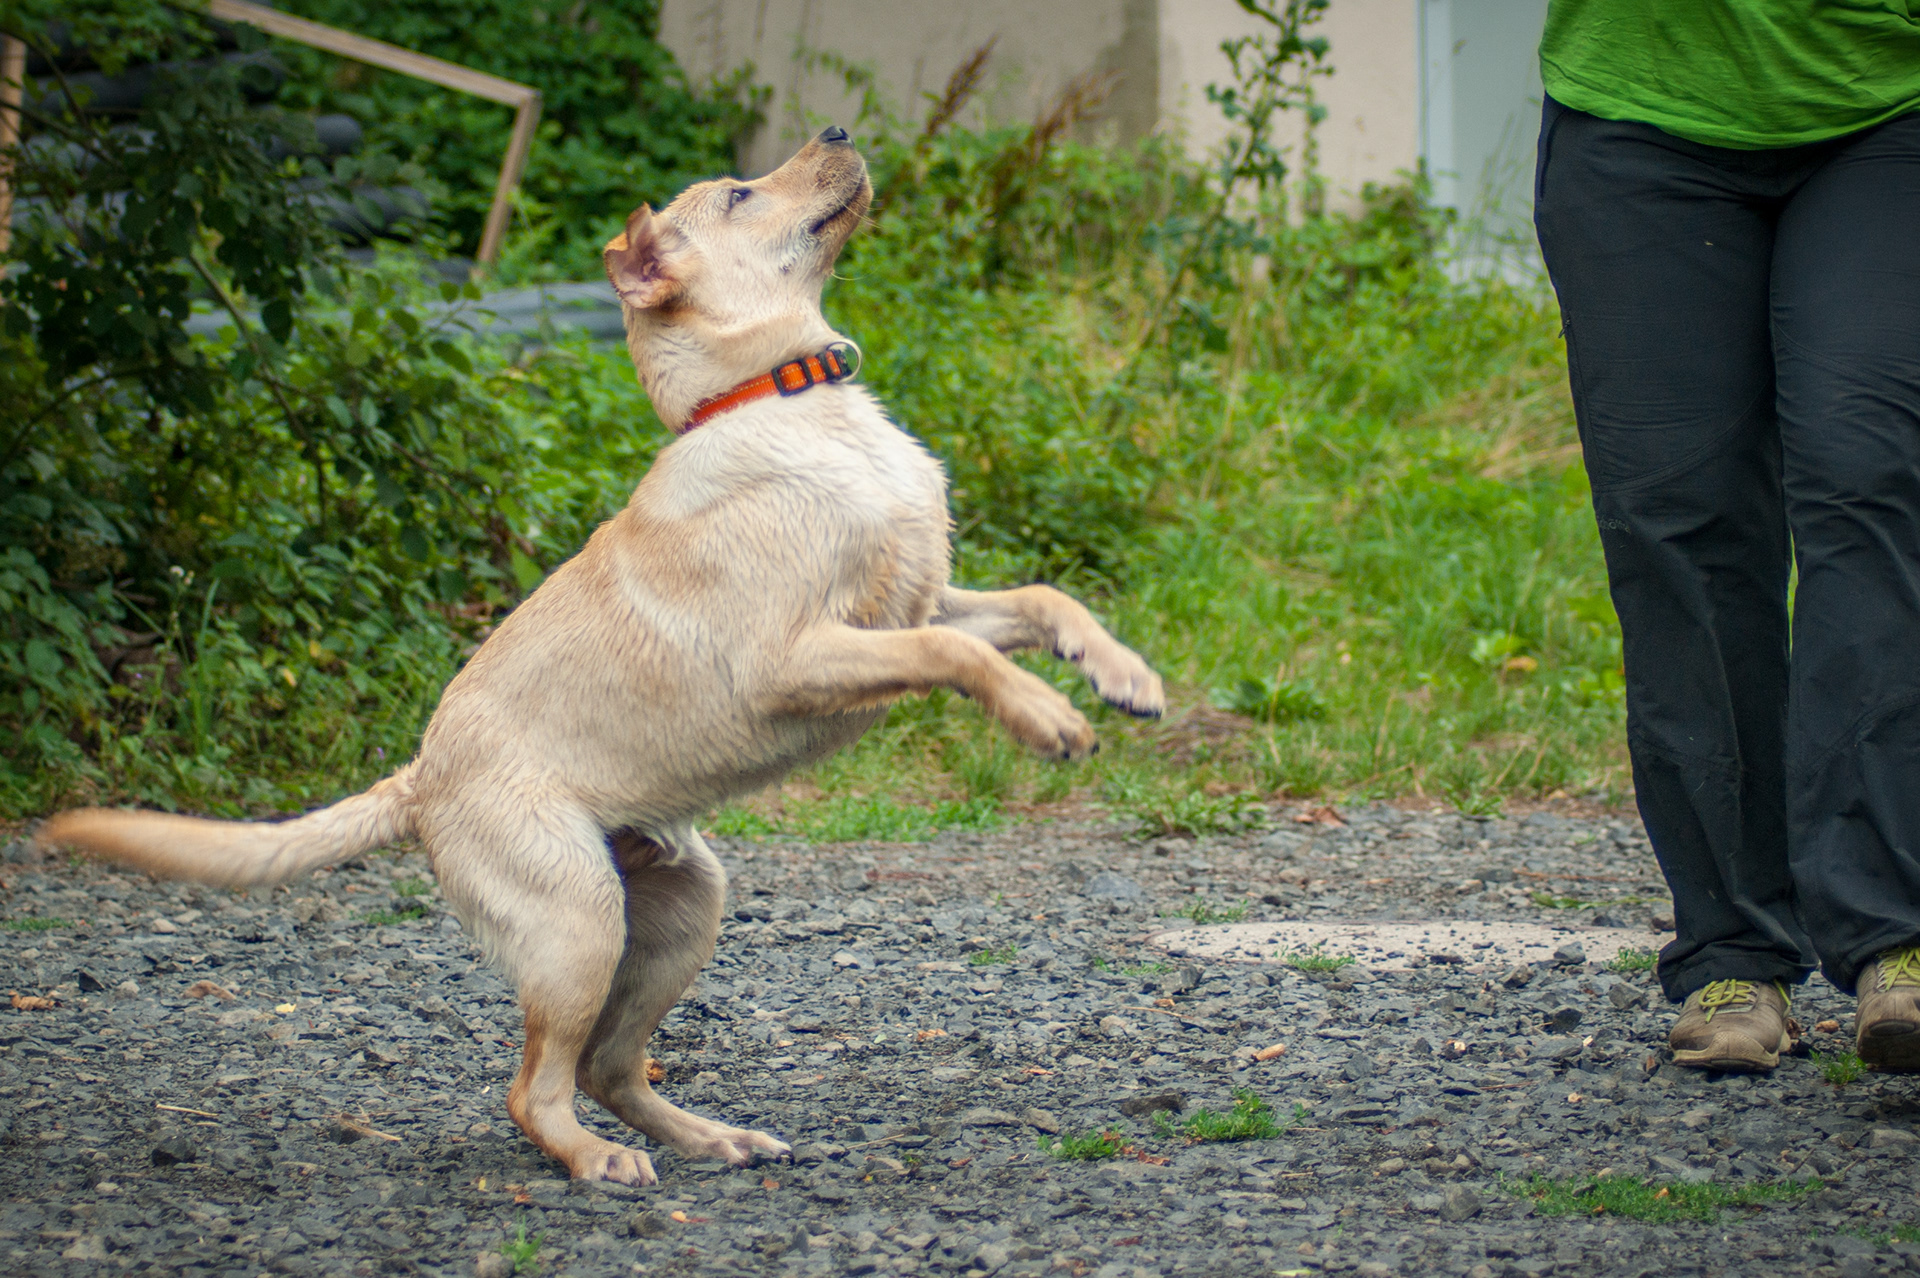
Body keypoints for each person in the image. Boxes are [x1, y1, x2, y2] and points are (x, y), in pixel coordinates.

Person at [1531, 2, 1920, 1072]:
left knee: (1871, 485)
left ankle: (1897, 934)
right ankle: (1732, 950)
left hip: (1890, 97)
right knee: (1680, 527)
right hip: (1641, 103)